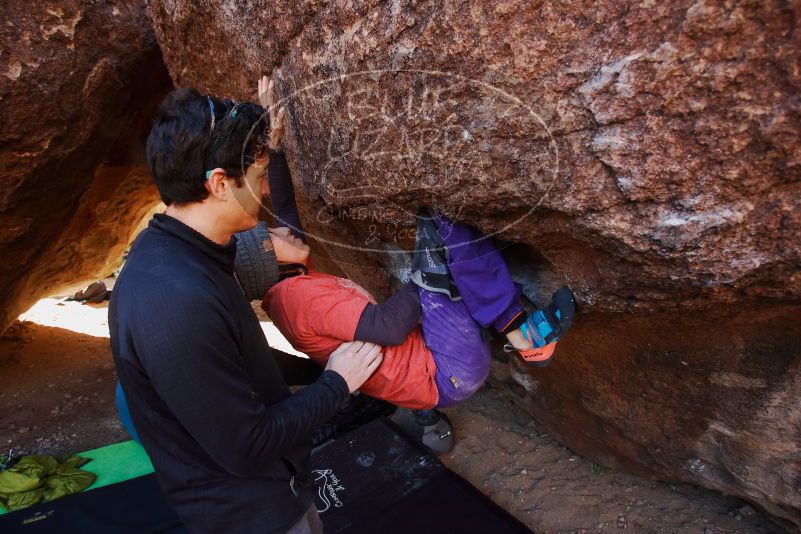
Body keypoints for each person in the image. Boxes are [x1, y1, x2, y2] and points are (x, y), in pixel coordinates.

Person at [109, 76, 383, 534]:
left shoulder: (183, 253)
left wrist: (314, 370)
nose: (268, 192)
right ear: (219, 183)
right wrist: (338, 383)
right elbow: (247, 444)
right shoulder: (175, 303)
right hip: (252, 513)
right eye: (258, 179)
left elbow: (233, 359)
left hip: (267, 492)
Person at [234, 104, 576, 415]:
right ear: (269, 264)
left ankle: (511, 331)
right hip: (448, 369)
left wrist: (274, 148)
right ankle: (523, 337)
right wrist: (427, 272)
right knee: (441, 230)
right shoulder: (300, 300)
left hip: (436, 364)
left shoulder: (287, 283)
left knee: (437, 254)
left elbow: (286, 210)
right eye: (271, 239)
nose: (282, 232)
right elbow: (389, 327)